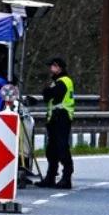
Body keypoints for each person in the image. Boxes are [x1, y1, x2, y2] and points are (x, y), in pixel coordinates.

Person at [37, 56, 75, 189]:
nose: (50, 69)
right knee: (52, 149)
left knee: (62, 148)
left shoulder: (63, 81)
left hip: (61, 117)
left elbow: (51, 95)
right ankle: (51, 176)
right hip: (55, 118)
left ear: (58, 67)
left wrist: (46, 91)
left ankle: (66, 178)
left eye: (52, 66)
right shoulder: (58, 81)